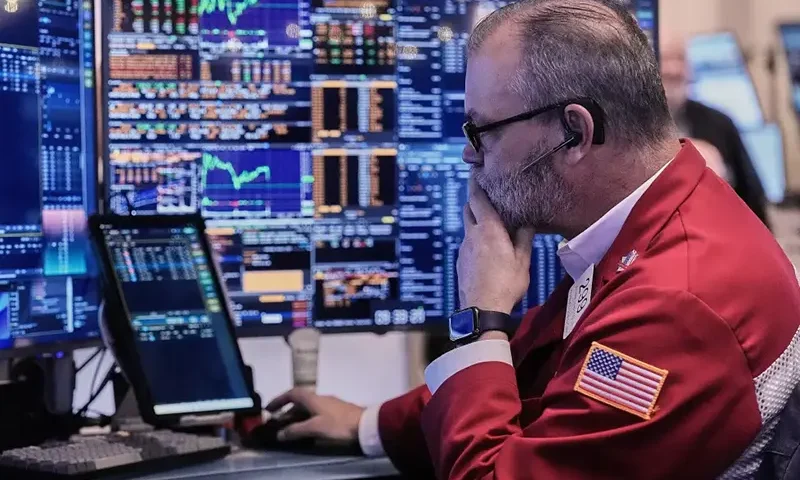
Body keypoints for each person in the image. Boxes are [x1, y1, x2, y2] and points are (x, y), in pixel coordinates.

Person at [267, 1, 800, 478]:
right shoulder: (662, 211)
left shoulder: (677, 302)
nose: (469, 157)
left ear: (575, 132)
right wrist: (371, 426)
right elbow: (539, 373)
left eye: (482, 131)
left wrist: (481, 318)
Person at [660, 35, 772, 229]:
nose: (674, 69)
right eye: (664, 59)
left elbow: (754, 202)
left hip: (719, 236)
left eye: (680, 59)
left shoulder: (720, 123)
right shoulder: (629, 127)